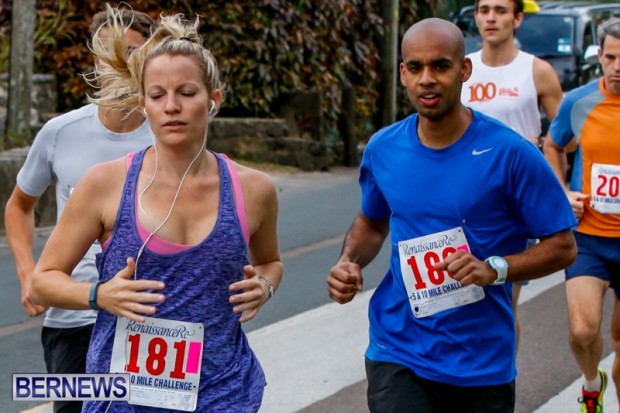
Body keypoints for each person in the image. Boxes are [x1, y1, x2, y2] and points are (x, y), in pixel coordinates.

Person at [29, 7, 282, 412]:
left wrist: (264, 285)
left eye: (187, 92)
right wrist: (99, 294)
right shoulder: (105, 184)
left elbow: (270, 262)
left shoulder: (254, 189)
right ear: (143, 103)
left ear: (213, 100)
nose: (171, 106)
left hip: (221, 392)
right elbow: (42, 282)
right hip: (124, 398)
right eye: (158, 95)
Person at [327, 17, 577, 413]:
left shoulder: (511, 153)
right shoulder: (383, 148)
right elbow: (372, 222)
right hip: (398, 349)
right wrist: (348, 262)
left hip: (481, 363)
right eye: (415, 67)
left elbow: (563, 246)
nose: (427, 79)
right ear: (403, 74)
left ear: (464, 70)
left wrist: (494, 268)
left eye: (440, 66)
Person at [3, 8, 154, 413]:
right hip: (75, 315)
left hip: (153, 315)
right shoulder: (60, 132)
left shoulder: (170, 135)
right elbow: (19, 206)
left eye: (131, 52)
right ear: (94, 62)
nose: (117, 63)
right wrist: (28, 275)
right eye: (106, 53)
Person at [461, 0, 564, 348]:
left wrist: (539, 144)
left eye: (501, 10)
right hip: (461, 197)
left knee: (503, 302)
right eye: (484, 10)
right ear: (476, 16)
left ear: (517, 19)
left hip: (513, 201)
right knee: (458, 299)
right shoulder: (462, 68)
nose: (491, 17)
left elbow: (566, 138)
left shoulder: (537, 71)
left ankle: (505, 376)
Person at [545, 17, 620, 413]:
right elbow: (553, 145)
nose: (617, 67)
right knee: (582, 329)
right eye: (610, 57)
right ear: (600, 57)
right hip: (588, 237)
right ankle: (592, 384)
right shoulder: (579, 102)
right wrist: (562, 192)